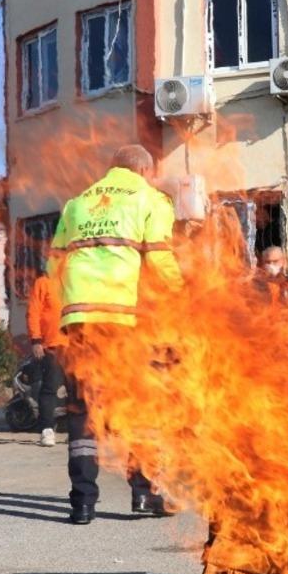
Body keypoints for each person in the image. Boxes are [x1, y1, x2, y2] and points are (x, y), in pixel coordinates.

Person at [50, 143, 184, 525]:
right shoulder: (150, 198)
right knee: (140, 406)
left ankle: (82, 503)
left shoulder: (76, 203)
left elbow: (53, 265)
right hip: (125, 320)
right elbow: (159, 258)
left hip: (80, 319)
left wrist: (70, 306)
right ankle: (144, 493)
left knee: (82, 409)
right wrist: (184, 296)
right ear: (144, 171)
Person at [27, 272, 66, 448]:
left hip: (77, 346)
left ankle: (77, 431)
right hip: (52, 345)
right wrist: (36, 340)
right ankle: (47, 429)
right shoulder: (43, 282)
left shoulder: (77, 278)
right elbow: (33, 312)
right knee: (50, 388)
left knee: (78, 391)